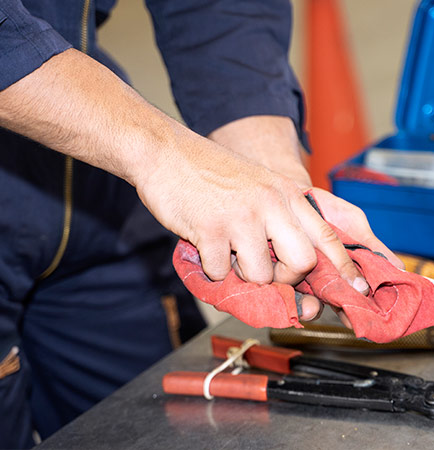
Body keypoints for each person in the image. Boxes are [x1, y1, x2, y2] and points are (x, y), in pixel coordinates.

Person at [0, 0, 404, 447]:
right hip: (102, 145)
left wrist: (270, 175)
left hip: (99, 185)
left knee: (170, 430)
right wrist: (166, 156)